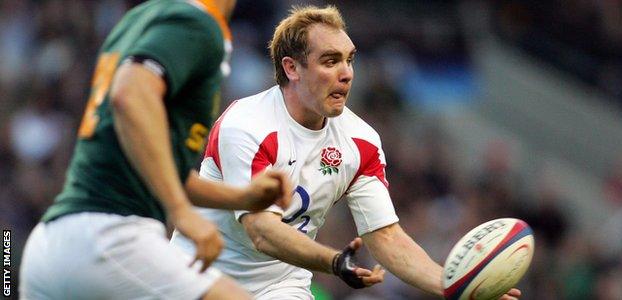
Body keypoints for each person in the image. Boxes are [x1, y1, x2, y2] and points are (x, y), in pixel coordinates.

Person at [172, 4, 522, 300]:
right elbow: (262, 232)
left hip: (279, 286)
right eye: (330, 61)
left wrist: (456, 286)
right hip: (199, 276)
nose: (346, 74)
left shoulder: (360, 140)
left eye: (349, 60)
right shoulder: (246, 125)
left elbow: (386, 236)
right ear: (292, 68)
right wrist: (333, 261)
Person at [19, 0, 291, 299]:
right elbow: (130, 94)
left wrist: (242, 197)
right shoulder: (196, 22)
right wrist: (181, 212)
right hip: (108, 235)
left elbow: (157, 162)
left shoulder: (141, 18)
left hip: (54, 243)